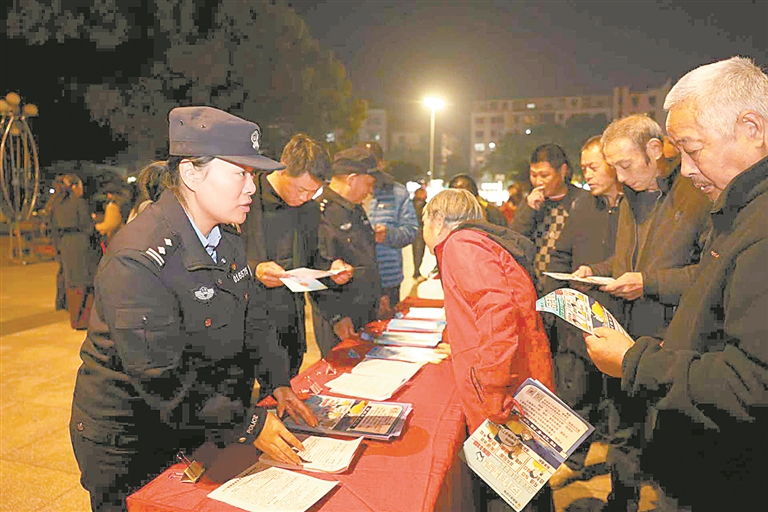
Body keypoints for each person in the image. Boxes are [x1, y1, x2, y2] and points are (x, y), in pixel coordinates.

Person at [70, 107, 318, 511]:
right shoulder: (138, 257)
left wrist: (277, 381)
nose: (252, 187)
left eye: (253, 175)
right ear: (191, 173)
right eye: (240, 173)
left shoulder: (226, 238)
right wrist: (248, 423)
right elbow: (161, 378)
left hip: (197, 422)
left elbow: (251, 317)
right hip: (132, 441)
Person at [584, 56, 768, 511]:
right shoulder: (736, 208)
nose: (685, 168)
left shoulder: (745, 218)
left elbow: (751, 384)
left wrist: (636, 361)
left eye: (692, 149)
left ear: (751, 128)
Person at [422, 188, 554, 432]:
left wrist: (493, 387)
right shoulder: (476, 241)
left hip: (501, 382)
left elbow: (497, 311)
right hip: (505, 370)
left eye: (423, 222)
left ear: (438, 221)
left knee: (507, 453)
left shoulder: (461, 245)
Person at [574, 114, 711, 338]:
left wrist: (648, 284)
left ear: (654, 149)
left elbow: (712, 272)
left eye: (625, 165)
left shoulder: (697, 194)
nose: (620, 177)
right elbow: (630, 259)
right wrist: (594, 273)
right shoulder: (629, 199)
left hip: (676, 334)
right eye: (614, 168)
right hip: (630, 331)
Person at [241, 133, 353, 381]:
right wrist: (254, 269)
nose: (304, 197)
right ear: (282, 169)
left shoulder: (309, 209)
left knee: (285, 392)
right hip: (243, 324)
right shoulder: (245, 197)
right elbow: (219, 254)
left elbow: (312, 260)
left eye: (312, 192)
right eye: (301, 189)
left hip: (287, 326)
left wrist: (332, 269)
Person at [312, 147, 382, 356]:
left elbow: (367, 257)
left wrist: (380, 295)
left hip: (365, 312)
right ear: (352, 179)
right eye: (369, 184)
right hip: (340, 321)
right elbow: (315, 270)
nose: (370, 191)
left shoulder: (355, 209)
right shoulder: (319, 212)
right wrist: (336, 317)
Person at [511, 143, 590, 295]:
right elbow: (514, 241)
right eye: (534, 175)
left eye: (545, 175)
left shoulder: (582, 200)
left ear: (563, 171)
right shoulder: (529, 203)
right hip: (536, 289)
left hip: (573, 290)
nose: (538, 181)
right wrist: (529, 210)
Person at [363, 141, 418, 316]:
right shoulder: (349, 192)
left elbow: (411, 230)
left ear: (381, 163)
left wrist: (388, 235)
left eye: (372, 162)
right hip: (357, 282)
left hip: (388, 279)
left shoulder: (397, 193)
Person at [50, 173, 99, 329]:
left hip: (65, 244)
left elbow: (52, 227)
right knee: (85, 281)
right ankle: (83, 320)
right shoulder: (78, 202)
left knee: (71, 281)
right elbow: (88, 226)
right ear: (74, 186)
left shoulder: (56, 203)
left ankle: (74, 317)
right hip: (80, 244)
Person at [412, 186, 428, 279]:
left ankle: (417, 272)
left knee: (418, 252)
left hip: (417, 230)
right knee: (419, 252)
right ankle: (416, 272)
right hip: (419, 231)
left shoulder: (411, 203)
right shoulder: (421, 205)